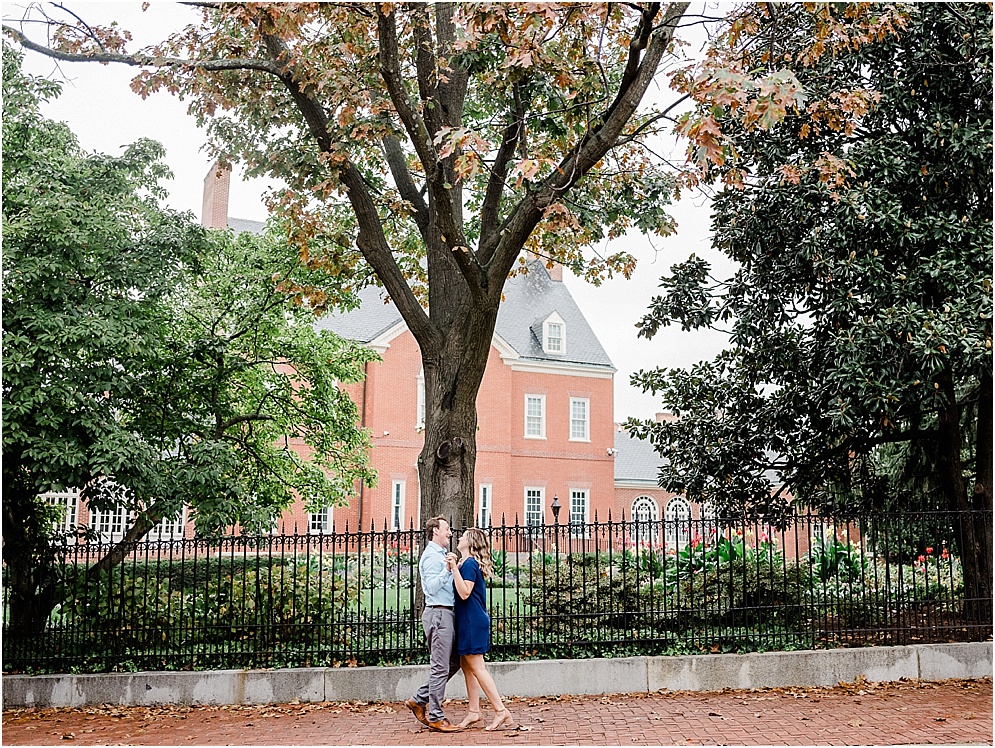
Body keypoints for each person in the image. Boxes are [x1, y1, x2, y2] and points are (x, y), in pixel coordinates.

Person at [448, 527, 515, 731]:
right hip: (469, 620)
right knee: (467, 666)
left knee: (478, 668)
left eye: (463, 536)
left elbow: (465, 592)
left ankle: (500, 710)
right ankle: (474, 712)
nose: (459, 538)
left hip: (472, 621)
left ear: (470, 542)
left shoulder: (468, 564)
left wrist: (453, 569)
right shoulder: (467, 563)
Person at [404, 516, 462, 732]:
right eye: (446, 529)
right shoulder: (430, 557)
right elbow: (431, 587)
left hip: (446, 614)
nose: (450, 533)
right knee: (440, 668)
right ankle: (436, 716)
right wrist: (447, 570)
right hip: (438, 614)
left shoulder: (441, 555)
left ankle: (419, 699)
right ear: (435, 531)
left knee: (455, 661)